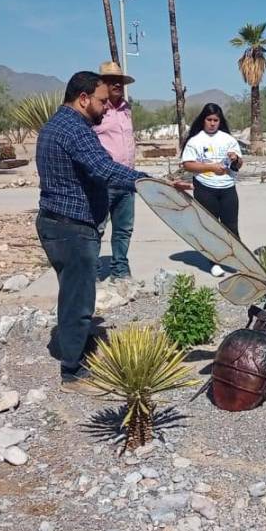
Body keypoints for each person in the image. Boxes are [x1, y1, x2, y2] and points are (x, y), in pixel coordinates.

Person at [36, 71, 189, 394]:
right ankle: (73, 372)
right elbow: (104, 169)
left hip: (55, 224)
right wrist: (151, 183)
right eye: (102, 101)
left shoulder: (54, 126)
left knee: (71, 293)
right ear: (83, 99)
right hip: (72, 228)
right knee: (78, 300)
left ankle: (74, 345)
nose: (107, 108)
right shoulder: (75, 130)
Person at [181, 103, 243, 277]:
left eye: (216, 120)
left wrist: (235, 158)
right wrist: (210, 167)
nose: (212, 123)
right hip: (205, 188)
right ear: (203, 120)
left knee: (231, 226)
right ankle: (213, 262)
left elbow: (239, 164)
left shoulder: (228, 139)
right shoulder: (196, 140)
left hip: (227, 187)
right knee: (210, 226)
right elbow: (188, 164)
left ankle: (237, 260)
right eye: (209, 119)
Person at [92, 61, 137, 282]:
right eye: (112, 81)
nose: (117, 84)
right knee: (97, 228)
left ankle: (120, 269)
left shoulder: (126, 108)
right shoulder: (97, 109)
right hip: (104, 180)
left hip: (128, 180)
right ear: (103, 84)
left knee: (124, 229)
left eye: (119, 81)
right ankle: (92, 271)